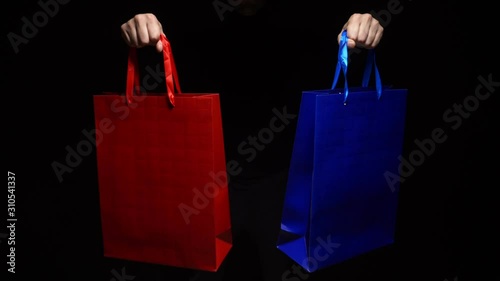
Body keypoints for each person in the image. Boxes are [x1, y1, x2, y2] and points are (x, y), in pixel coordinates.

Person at [118, 1, 385, 280]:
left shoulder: (304, 18)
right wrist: (138, 31)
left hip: (285, 185)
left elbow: (342, 58)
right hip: (202, 187)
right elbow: (151, 65)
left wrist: (359, 30)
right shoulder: (188, 17)